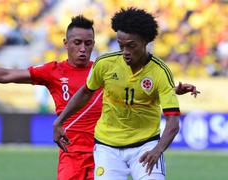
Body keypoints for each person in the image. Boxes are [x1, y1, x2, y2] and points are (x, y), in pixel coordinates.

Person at [0, 15, 199, 180]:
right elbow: (6, 74)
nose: (83, 48)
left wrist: (175, 88)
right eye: (77, 43)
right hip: (72, 154)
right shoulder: (53, 71)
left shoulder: (105, 68)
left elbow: (141, 86)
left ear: (94, 44)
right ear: (65, 42)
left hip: (102, 151)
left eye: (88, 43)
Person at [53, 8, 198, 180]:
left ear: (145, 41)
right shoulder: (105, 64)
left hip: (145, 146)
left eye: (131, 45)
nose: (125, 51)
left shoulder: (160, 72)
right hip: (107, 147)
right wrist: (59, 122)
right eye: (121, 45)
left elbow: (173, 123)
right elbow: (85, 92)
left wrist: (157, 150)